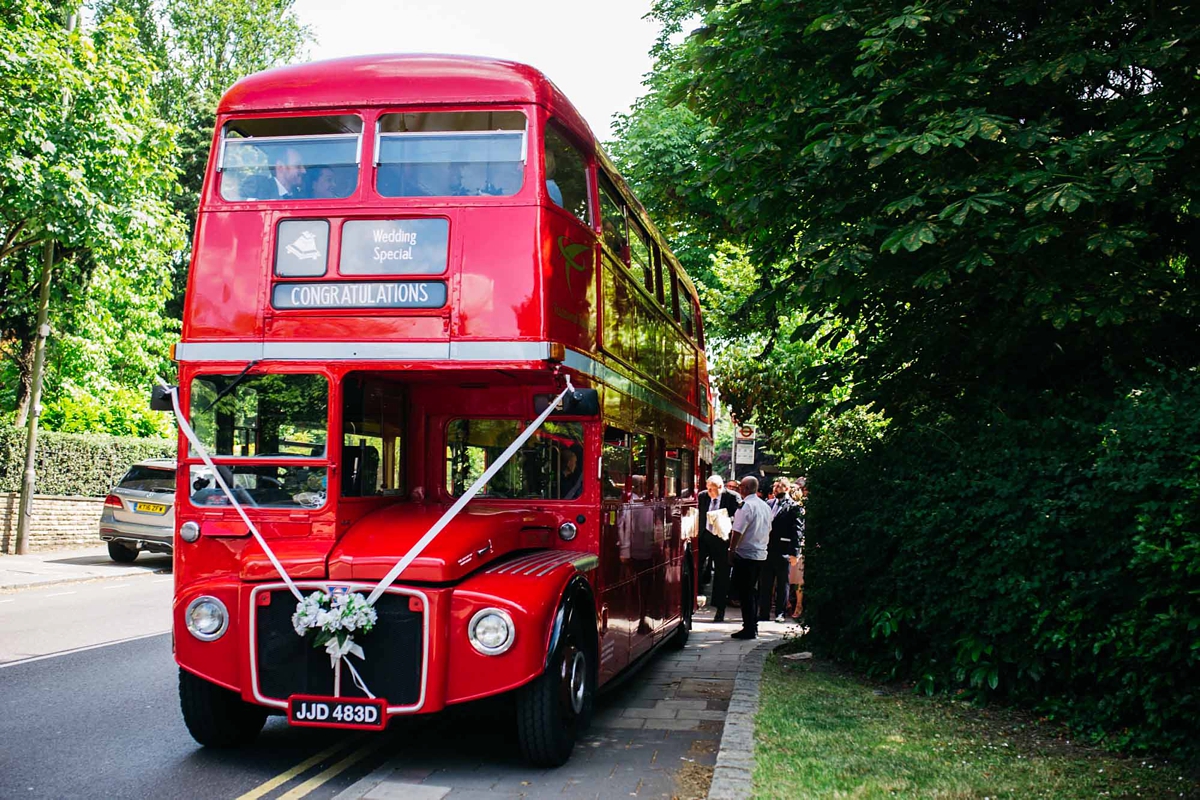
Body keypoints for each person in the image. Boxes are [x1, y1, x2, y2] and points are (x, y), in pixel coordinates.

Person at [727, 475, 771, 639]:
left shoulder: (746, 506)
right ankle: (753, 625)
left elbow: (737, 530)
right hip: (760, 554)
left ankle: (749, 628)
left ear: (745, 489)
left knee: (745, 593)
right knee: (752, 592)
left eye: (740, 488)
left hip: (746, 554)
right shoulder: (764, 506)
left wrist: (731, 550)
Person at [697, 475, 740, 623]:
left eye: (712, 489)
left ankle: (720, 609)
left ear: (720, 488)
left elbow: (739, 517)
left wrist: (724, 519)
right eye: (708, 488)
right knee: (697, 568)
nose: (709, 492)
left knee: (722, 573)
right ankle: (694, 601)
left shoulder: (732, 497)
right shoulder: (702, 496)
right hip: (704, 537)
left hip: (722, 539)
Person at [759, 478, 802, 623]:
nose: (777, 489)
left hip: (783, 549)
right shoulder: (768, 504)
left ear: (788, 489)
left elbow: (797, 530)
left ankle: (780, 613)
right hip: (767, 549)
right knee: (765, 582)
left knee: (783, 583)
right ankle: (763, 613)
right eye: (775, 486)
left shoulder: (794, 507)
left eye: (781, 486)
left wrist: (795, 552)